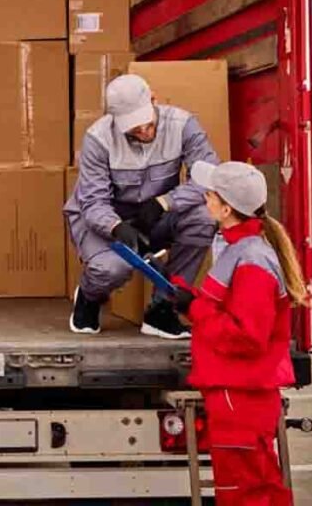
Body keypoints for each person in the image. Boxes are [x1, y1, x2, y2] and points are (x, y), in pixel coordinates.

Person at [170, 160, 304, 505]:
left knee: (245, 493)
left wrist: (194, 309)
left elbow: (247, 335)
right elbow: (231, 309)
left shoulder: (252, 261)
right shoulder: (241, 250)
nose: (205, 199)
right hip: (239, 395)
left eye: (210, 194)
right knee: (258, 487)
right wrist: (186, 297)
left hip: (240, 397)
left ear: (227, 208)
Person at [64, 74, 219, 339]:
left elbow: (208, 178)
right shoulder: (98, 139)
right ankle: (89, 297)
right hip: (108, 221)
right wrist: (116, 227)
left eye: (147, 124)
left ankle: (162, 311)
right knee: (111, 269)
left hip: (158, 214)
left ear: (153, 100)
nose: (144, 132)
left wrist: (165, 202)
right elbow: (92, 202)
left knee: (204, 218)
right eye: (134, 129)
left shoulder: (183, 125)